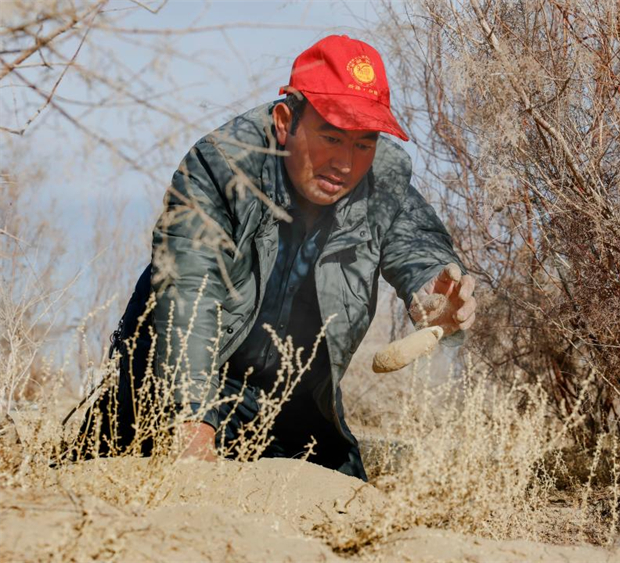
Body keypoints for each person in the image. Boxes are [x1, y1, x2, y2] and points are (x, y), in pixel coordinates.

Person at [105, 35, 476, 481]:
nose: (345, 162)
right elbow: (188, 292)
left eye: (363, 144)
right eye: (332, 136)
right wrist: (189, 423)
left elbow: (418, 245)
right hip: (183, 384)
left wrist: (436, 290)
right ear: (285, 121)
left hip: (295, 401)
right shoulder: (220, 166)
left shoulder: (383, 182)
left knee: (345, 501)